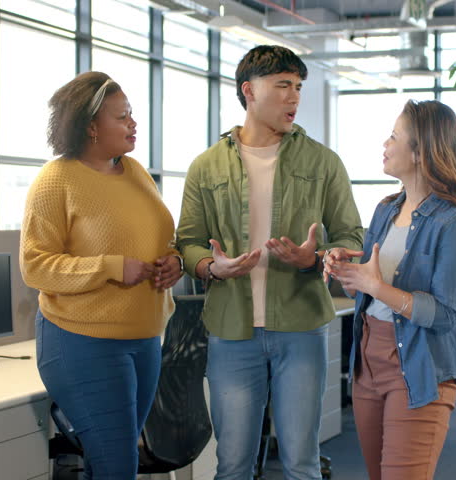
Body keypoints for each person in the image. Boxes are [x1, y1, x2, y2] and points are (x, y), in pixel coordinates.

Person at [176, 45, 363, 480]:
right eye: (282, 85)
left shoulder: (323, 162)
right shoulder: (205, 167)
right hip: (231, 329)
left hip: (301, 327)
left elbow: (349, 236)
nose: (294, 97)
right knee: (233, 465)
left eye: (298, 87)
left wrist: (314, 257)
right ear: (249, 91)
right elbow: (186, 243)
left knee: (302, 463)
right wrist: (210, 267)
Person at [19, 71, 183, 480]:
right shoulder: (56, 181)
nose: (133, 124)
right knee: (117, 467)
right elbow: (35, 265)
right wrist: (109, 268)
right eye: (122, 117)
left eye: (131, 115)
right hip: (82, 342)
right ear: (91, 126)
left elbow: (162, 238)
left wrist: (173, 261)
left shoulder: (136, 173)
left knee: (112, 462)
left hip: (144, 339)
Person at [325, 100, 456, 480]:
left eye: (394, 136)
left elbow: (446, 315)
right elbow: (367, 279)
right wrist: (340, 265)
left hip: (419, 366)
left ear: (421, 151)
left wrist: (377, 287)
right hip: (367, 363)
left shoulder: (454, 223)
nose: (385, 143)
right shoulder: (384, 210)